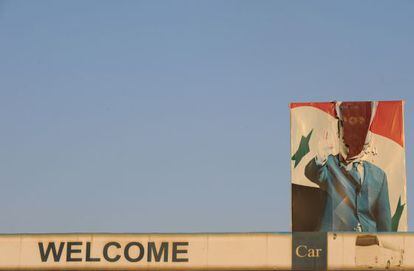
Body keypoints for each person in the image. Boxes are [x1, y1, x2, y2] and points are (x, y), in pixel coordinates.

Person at [305, 101, 391, 232]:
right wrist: (321, 156)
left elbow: (384, 221)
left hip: (367, 243)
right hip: (334, 241)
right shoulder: (329, 164)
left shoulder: (379, 175)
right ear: (339, 137)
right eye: (346, 140)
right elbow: (311, 173)